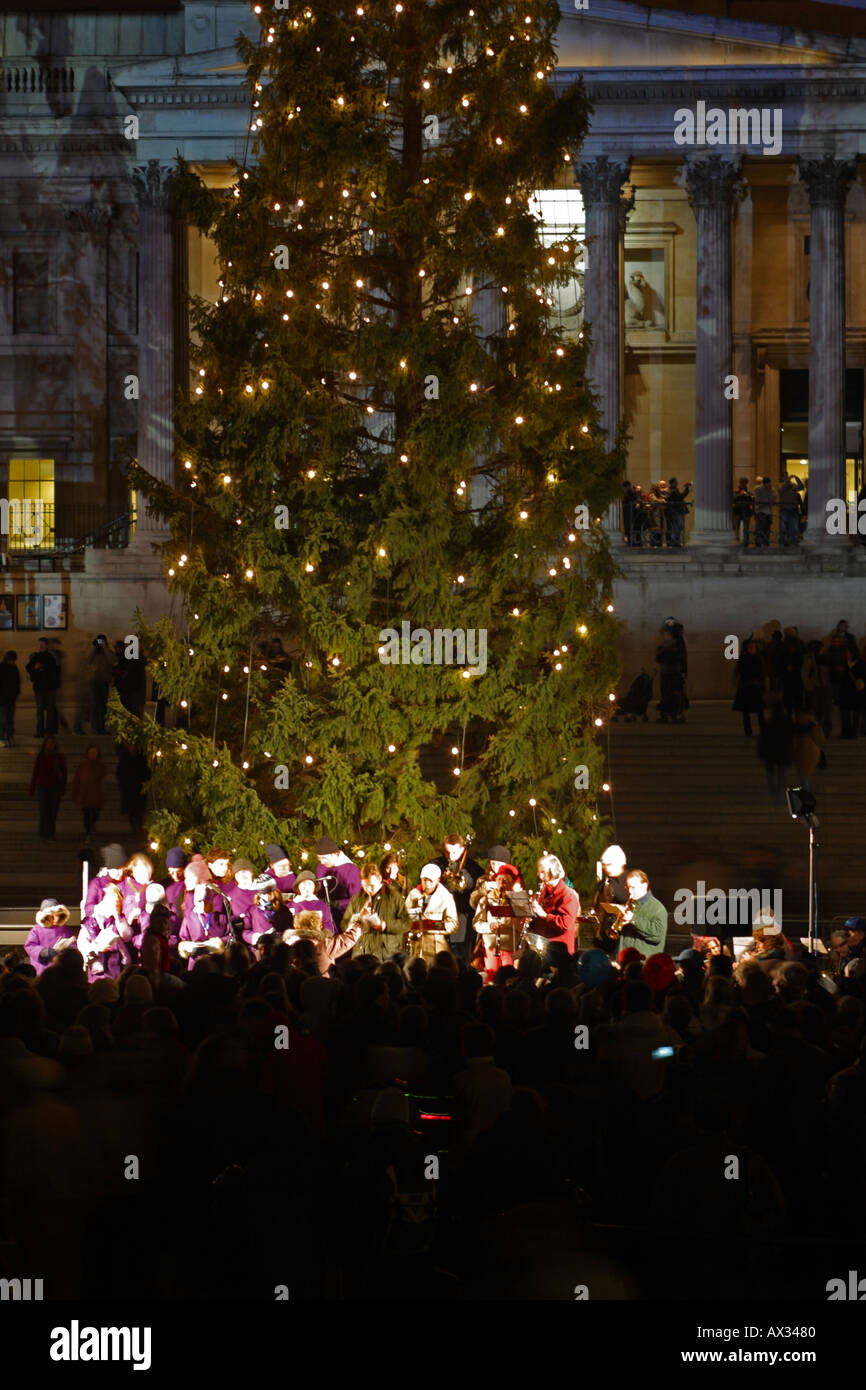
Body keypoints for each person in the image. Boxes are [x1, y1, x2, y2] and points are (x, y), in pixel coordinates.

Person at [346, 861, 411, 961]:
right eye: (364, 885)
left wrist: (385, 926)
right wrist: (359, 917)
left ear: (380, 879)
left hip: (387, 955)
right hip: (362, 954)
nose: (368, 889)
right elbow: (345, 924)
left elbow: (406, 924)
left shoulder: (393, 897)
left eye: (371, 885)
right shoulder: (357, 899)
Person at [433, 833, 483, 963]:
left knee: (460, 960)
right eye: (447, 852)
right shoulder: (437, 864)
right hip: (441, 920)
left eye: (454, 852)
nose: (450, 856)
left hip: (462, 921)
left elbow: (470, 887)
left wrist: (455, 879)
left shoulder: (472, 867)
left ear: (462, 850)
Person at [472, 863, 525, 981]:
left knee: (509, 979)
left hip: (511, 948)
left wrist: (509, 921)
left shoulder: (519, 900)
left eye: (506, 880)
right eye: (499, 879)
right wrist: (489, 927)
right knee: (491, 977)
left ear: (512, 883)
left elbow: (525, 927)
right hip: (491, 947)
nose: (502, 882)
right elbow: (476, 923)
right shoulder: (486, 899)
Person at [405, 864, 458, 965]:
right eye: (424, 880)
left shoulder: (446, 897)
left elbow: (453, 925)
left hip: (436, 948)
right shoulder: (413, 895)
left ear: (438, 880)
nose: (427, 884)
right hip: (415, 947)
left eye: (431, 881)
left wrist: (431, 924)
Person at [529, 853, 580, 956]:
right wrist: (530, 917)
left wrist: (544, 915)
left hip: (558, 951)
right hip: (542, 948)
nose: (540, 876)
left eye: (543, 872)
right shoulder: (542, 893)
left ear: (553, 871)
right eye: (539, 873)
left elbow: (565, 924)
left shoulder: (568, 895)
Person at [618, 869, 667, 960]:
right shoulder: (629, 904)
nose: (630, 891)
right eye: (628, 887)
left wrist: (633, 919)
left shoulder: (658, 908)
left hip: (645, 965)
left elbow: (657, 936)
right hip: (626, 962)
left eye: (633, 887)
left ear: (645, 885)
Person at [314, 835, 362, 927]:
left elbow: (357, 899)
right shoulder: (321, 867)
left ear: (335, 854)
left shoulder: (350, 870)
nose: (322, 862)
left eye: (324, 858)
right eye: (319, 859)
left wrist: (339, 904)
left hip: (345, 916)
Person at [590, 844, 630, 952]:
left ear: (620, 863)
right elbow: (596, 905)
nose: (606, 867)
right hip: (601, 938)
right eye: (604, 865)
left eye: (609, 864)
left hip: (621, 940)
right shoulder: (603, 883)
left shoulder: (630, 882)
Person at [24, 899, 76, 976]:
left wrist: (68, 950)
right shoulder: (37, 930)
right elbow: (30, 946)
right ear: (45, 916)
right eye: (51, 916)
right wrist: (46, 952)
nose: (56, 918)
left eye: (57, 915)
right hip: (42, 970)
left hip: (62, 970)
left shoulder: (66, 930)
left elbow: (74, 946)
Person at [29, 733, 67, 839]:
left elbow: (64, 774)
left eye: (52, 743)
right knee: (44, 810)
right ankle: (43, 832)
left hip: (55, 787)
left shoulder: (59, 757)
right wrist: (32, 786)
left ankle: (50, 833)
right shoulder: (41, 756)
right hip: (43, 786)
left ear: (55, 744)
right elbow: (36, 772)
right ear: (45, 744)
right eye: (48, 743)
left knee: (53, 811)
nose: (50, 745)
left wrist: (63, 788)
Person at [757, 701, 793, 803]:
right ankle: (780, 796)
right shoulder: (787, 723)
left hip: (770, 754)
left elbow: (762, 740)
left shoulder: (769, 723)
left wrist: (761, 753)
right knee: (782, 776)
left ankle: (772, 792)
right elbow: (795, 732)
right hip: (783, 754)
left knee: (771, 775)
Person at [70, 742, 106, 838]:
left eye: (95, 752)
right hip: (85, 793)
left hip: (96, 793)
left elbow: (103, 774)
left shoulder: (100, 765)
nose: (93, 754)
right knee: (86, 813)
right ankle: (88, 831)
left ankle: (92, 827)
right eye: (91, 752)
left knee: (95, 813)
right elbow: (77, 778)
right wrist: (75, 792)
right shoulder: (83, 764)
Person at [733, 636, 766, 737]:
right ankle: (748, 731)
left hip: (754, 687)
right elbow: (740, 671)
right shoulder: (744, 659)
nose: (752, 649)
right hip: (747, 687)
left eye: (753, 647)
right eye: (750, 648)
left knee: (760, 710)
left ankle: (763, 729)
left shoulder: (758, 659)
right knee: (746, 711)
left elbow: (762, 672)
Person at [26, 637, 59, 737]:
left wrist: (43, 667)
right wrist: (35, 668)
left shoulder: (52, 656)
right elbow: (28, 667)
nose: (40, 646)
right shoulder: (34, 656)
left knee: (50, 709)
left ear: (46, 645)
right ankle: (39, 731)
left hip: (50, 687)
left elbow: (56, 669)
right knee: (40, 710)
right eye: (39, 644)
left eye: (42, 644)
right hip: (39, 687)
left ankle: (49, 731)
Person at [288, 869, 336, 934]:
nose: (307, 887)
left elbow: (328, 925)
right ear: (298, 887)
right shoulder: (291, 905)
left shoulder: (321, 905)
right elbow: (287, 926)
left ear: (314, 887)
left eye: (310, 884)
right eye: (304, 884)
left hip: (318, 938)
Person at [117, 742, 149, 836]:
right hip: (129, 788)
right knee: (132, 811)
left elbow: (146, 770)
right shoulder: (124, 757)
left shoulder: (141, 757)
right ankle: (134, 829)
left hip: (139, 787)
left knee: (139, 810)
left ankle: (139, 827)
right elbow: (120, 772)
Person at [86, 634, 117, 734]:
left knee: (103, 706)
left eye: (102, 641)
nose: (100, 643)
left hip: (104, 682)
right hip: (94, 681)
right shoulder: (93, 652)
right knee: (95, 705)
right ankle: (94, 728)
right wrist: (94, 646)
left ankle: (102, 727)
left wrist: (105, 648)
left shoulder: (108, 652)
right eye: (99, 641)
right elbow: (88, 659)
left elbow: (113, 661)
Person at [792, 708, 825, 791]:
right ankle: (808, 790)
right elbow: (821, 740)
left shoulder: (797, 725)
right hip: (814, 753)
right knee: (807, 774)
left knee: (804, 776)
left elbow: (793, 743)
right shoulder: (814, 724)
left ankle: (806, 793)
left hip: (800, 753)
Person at [0, 649, 20, 746]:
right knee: (3, 720)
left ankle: (10, 736)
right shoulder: (1, 667)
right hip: (3, 699)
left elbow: (17, 681)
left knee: (10, 720)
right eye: (12, 660)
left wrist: (16, 693)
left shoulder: (14, 667)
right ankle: (1, 738)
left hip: (11, 698)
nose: (13, 662)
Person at [666, 478, 691, 548]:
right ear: (672, 483)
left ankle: (676, 541)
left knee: (678, 526)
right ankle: (674, 541)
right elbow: (680, 497)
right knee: (678, 526)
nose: (677, 483)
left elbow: (680, 497)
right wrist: (686, 488)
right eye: (676, 482)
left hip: (678, 510)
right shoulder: (672, 491)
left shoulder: (674, 490)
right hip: (676, 511)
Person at [777, 475, 801, 548]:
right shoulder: (780, 485)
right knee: (783, 526)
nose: (787, 478)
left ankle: (792, 542)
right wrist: (787, 480)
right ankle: (782, 542)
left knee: (793, 527)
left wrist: (797, 479)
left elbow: (801, 487)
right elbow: (781, 490)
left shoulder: (793, 486)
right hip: (784, 508)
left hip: (793, 508)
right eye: (785, 476)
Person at [753, 476, 775, 547]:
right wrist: (768, 500)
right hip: (760, 510)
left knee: (766, 527)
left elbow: (773, 498)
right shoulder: (758, 489)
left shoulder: (771, 489)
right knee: (760, 527)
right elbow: (759, 499)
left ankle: (765, 541)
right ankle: (759, 542)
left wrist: (768, 499)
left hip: (767, 511)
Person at [732, 477, 754, 548]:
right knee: (736, 528)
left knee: (746, 528)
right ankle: (734, 542)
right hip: (737, 511)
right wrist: (739, 495)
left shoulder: (748, 492)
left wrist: (747, 495)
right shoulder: (736, 491)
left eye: (745, 483)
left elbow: (752, 500)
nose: (743, 484)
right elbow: (733, 499)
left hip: (746, 512)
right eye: (742, 482)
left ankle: (746, 543)